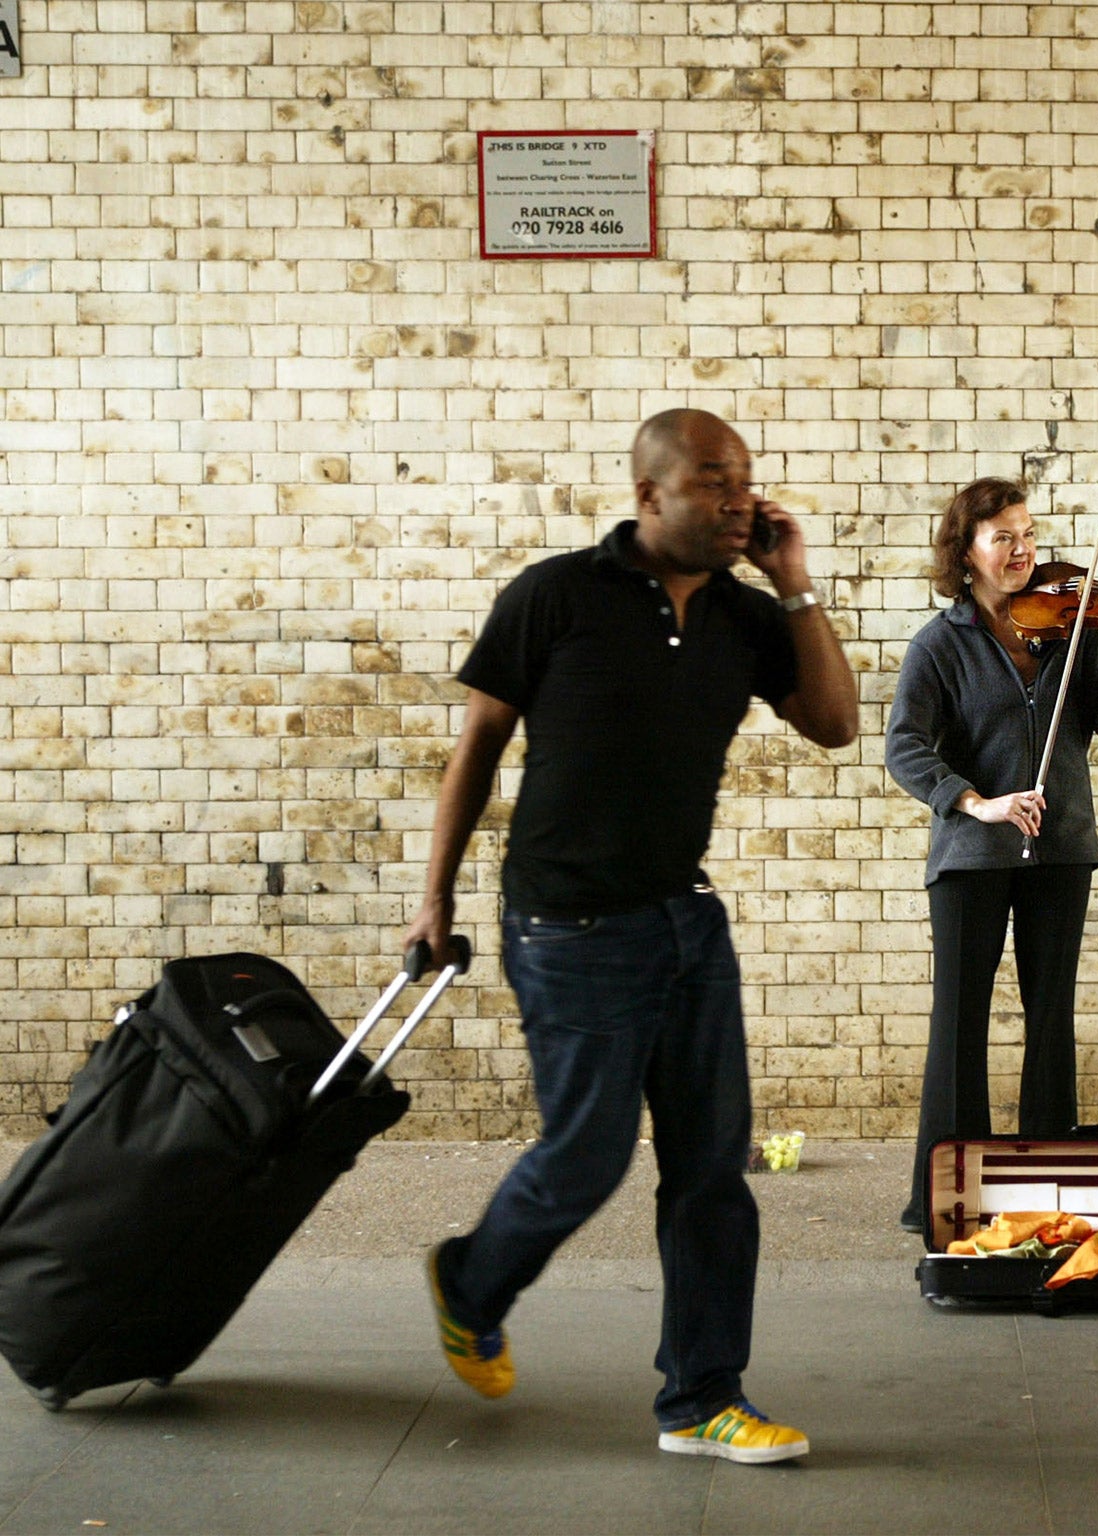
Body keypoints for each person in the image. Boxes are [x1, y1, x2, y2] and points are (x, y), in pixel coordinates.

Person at [402, 408, 856, 1464]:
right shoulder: (554, 595)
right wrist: (436, 896)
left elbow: (834, 724)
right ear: (648, 495)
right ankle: (471, 1280)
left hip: (684, 922)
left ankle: (702, 1399)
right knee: (587, 1155)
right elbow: (476, 744)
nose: (737, 497)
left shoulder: (749, 620)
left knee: (711, 1171)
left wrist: (796, 587)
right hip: (565, 925)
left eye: (744, 479)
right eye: (711, 480)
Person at [885, 479, 1098, 1233]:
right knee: (959, 1026)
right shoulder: (941, 644)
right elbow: (904, 747)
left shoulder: (1076, 630)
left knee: (1051, 1020)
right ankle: (946, 1190)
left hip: (1060, 850)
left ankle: (1046, 1187)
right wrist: (977, 802)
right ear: (965, 551)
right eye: (1003, 537)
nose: (1023, 549)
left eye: (1027, 534)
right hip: (971, 855)